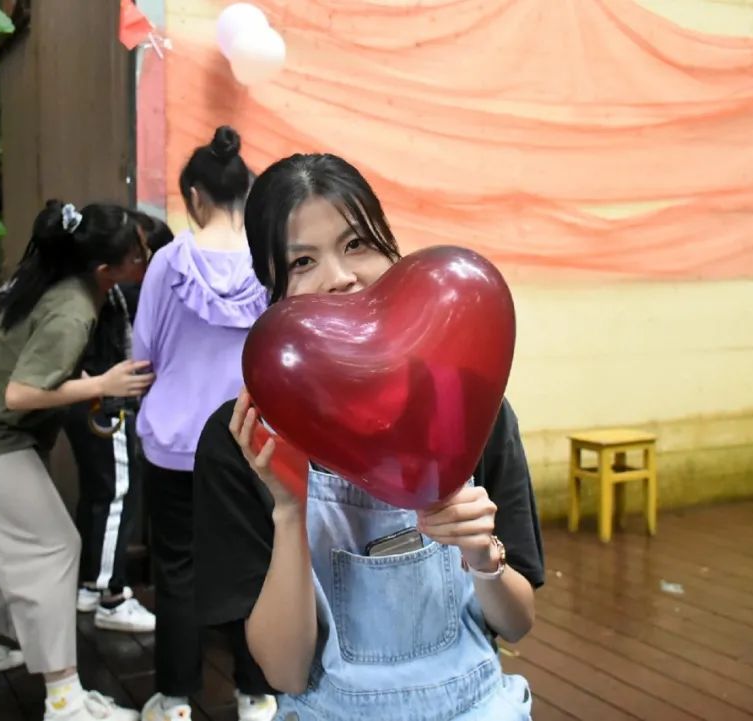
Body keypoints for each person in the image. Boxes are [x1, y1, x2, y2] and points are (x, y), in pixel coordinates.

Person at [192, 153, 546, 721]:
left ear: (392, 249)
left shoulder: (467, 404)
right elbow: (284, 672)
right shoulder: (246, 439)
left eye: (357, 244)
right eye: (302, 261)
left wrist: (483, 557)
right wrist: (289, 510)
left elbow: (518, 623)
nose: (340, 277)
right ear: (271, 289)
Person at [0, 200, 155, 721]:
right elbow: (19, 394)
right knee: (56, 547)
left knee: (0, 552)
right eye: (137, 254)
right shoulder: (72, 310)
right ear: (105, 269)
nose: (144, 259)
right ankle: (64, 699)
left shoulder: (63, 284)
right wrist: (101, 385)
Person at [131, 126, 273, 721]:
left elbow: (143, 353)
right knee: (255, 564)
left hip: (173, 442)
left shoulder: (168, 263)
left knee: (178, 570)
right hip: (250, 441)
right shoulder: (269, 262)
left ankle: (174, 700)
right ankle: (256, 694)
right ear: (248, 190)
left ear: (194, 196)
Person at [68, 214, 172, 633]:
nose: (140, 262)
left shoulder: (86, 288)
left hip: (86, 401)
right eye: (135, 254)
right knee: (116, 495)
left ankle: (90, 584)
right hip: (105, 404)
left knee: (99, 495)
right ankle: (111, 594)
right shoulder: (122, 290)